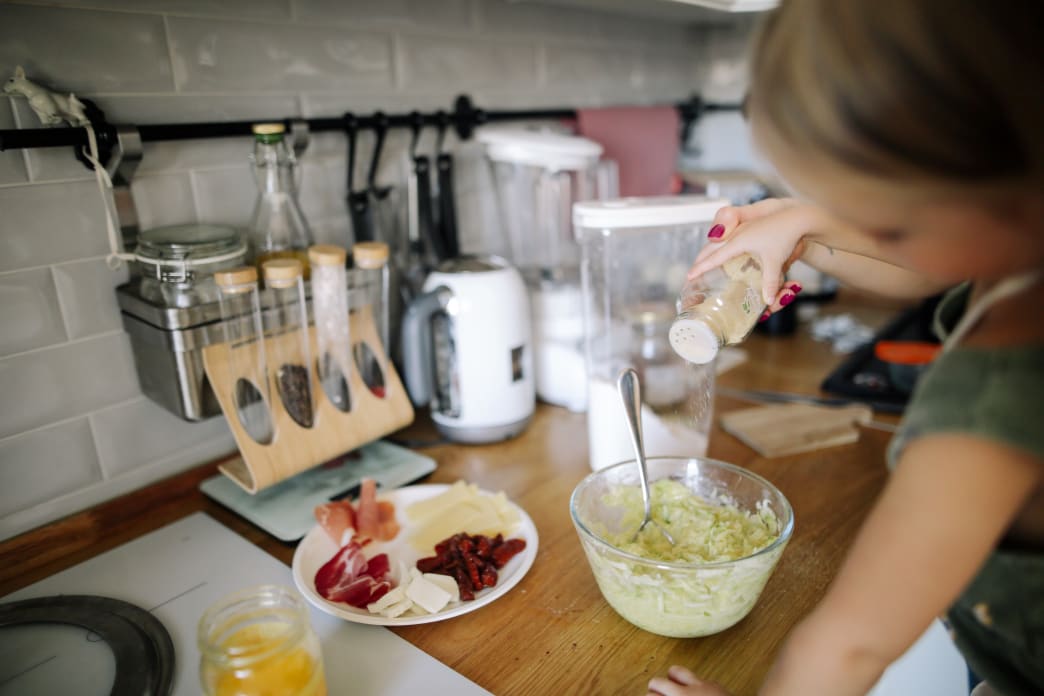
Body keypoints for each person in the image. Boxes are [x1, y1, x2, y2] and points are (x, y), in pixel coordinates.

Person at [648, 1, 1044, 695]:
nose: (863, 230)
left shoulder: (993, 398)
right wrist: (807, 230)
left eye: (882, 221)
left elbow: (850, 647)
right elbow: (938, 262)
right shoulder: (1018, 253)